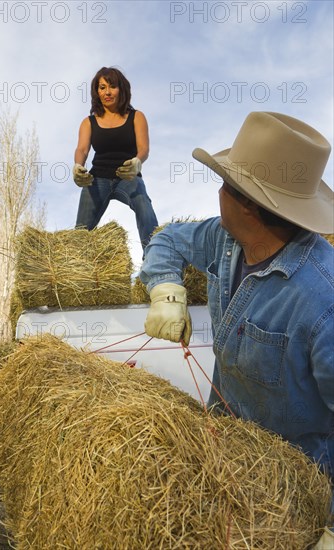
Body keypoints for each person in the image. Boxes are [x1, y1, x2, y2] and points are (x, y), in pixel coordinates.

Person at [139, 111, 334, 547]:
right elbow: (166, 239)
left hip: (292, 500)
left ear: (248, 202)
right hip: (224, 464)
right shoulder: (225, 239)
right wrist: (166, 288)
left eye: (226, 184)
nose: (218, 192)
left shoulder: (323, 300)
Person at [72, 66, 158, 251]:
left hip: (127, 177)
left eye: (112, 86)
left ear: (122, 89)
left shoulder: (137, 116)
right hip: (97, 179)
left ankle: (155, 258)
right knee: (80, 232)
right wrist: (78, 166)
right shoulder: (89, 122)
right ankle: (74, 266)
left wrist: (137, 162)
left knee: (144, 205)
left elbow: (144, 148)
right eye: (102, 87)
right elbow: (82, 148)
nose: (107, 92)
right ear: (96, 92)